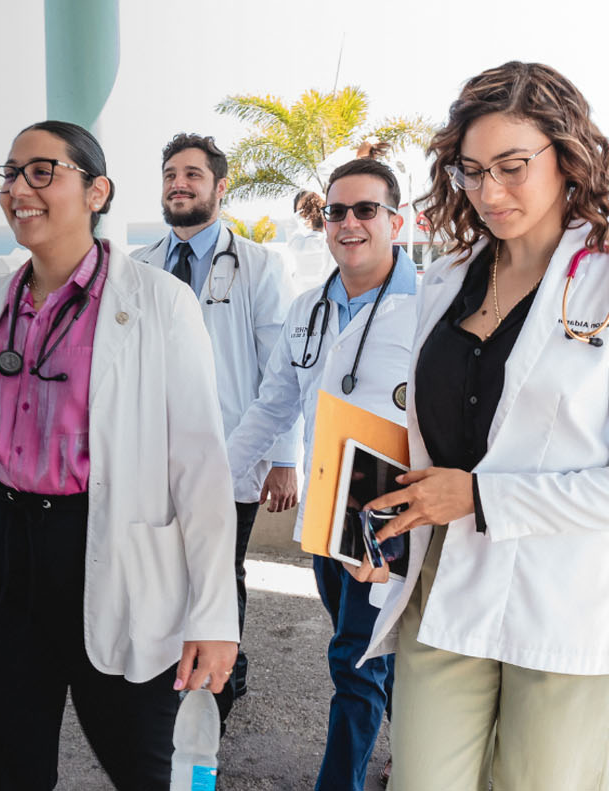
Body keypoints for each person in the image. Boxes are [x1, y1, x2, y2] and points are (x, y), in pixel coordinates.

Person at [0, 120, 238, 790]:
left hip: (109, 552)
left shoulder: (160, 303)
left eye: (42, 171)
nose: (19, 188)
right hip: (1, 557)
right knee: (4, 770)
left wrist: (214, 617)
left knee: (145, 768)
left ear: (97, 190)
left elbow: (201, 468)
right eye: (10, 173)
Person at [357, 61, 609, 790]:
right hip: (446, 584)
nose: (489, 192)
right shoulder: (446, 276)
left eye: (511, 166)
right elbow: (414, 434)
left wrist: (480, 497)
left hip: (569, 599)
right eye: (471, 170)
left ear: (567, 155)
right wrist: (366, 524)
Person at [225, 157, 415, 791]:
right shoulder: (309, 308)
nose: (349, 223)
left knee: (355, 665)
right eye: (337, 211)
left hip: (389, 515)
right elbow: (272, 404)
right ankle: (418, 758)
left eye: (366, 210)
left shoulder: (430, 306)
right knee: (373, 657)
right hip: (324, 521)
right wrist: (214, 482)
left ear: (397, 220)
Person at [131, 133, 297, 726]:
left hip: (232, 453)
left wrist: (284, 457)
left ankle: (209, 707)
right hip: (153, 458)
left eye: (193, 175)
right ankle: (176, 678)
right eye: (171, 173)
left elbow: (282, 369)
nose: (179, 183)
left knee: (219, 576)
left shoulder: (257, 265)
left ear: (219, 187)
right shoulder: (138, 268)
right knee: (161, 574)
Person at [286, 190, 335, 295]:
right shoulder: (330, 241)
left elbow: (290, 228)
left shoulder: (297, 244)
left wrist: (297, 216)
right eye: (303, 211)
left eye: (307, 210)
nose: (307, 215)